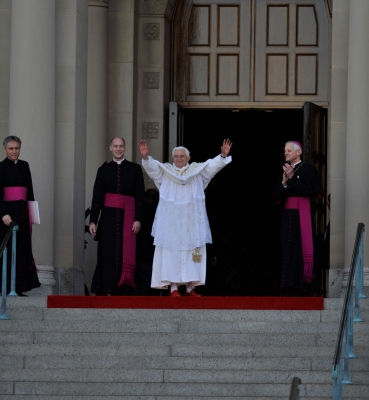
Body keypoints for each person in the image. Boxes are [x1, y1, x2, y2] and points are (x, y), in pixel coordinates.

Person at [139, 138, 232, 297]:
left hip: (191, 223)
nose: (179, 159)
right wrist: (146, 158)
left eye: (182, 156)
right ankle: (174, 288)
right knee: (172, 254)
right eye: (176, 156)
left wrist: (222, 156)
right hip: (172, 224)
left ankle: (190, 289)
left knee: (193, 254)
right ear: (173, 158)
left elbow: (211, 166)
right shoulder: (166, 172)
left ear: (188, 158)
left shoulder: (197, 171)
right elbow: (153, 169)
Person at [89, 137, 145, 295]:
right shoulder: (103, 170)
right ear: (110, 148)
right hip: (108, 217)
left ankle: (125, 288)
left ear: (125, 148)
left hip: (129, 217)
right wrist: (93, 220)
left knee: (126, 251)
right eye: (115, 146)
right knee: (107, 252)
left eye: (121, 146)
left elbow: (140, 197)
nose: (118, 149)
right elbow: (97, 197)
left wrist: (138, 219)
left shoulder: (134, 169)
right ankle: (108, 288)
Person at [273, 141, 323, 293]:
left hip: (302, 216)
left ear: (298, 152)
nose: (286, 153)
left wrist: (292, 178)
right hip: (287, 216)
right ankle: (287, 285)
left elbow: (308, 192)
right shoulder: (284, 171)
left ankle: (303, 287)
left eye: (289, 150)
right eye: (284, 151)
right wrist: (284, 182)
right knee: (287, 249)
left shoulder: (309, 170)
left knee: (301, 248)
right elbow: (277, 197)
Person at [0, 136, 40, 295]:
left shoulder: (25, 166)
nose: (14, 151)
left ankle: (19, 287)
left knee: (22, 250)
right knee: (7, 251)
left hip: (23, 215)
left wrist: (33, 214)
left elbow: (29, 192)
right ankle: (4, 287)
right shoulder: (1, 167)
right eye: (11, 149)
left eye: (17, 148)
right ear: (5, 150)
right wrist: (3, 214)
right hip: (7, 216)